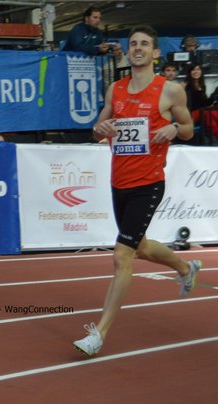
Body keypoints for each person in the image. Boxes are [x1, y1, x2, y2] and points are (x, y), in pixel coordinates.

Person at [73, 25, 202, 356]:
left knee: (122, 255)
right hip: (119, 182)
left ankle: (99, 334)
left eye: (144, 44)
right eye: (133, 44)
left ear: (155, 52)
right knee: (140, 247)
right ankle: (185, 268)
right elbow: (97, 130)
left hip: (149, 183)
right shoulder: (115, 89)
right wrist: (100, 128)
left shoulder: (170, 90)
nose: (138, 48)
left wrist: (174, 127)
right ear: (128, 51)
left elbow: (189, 129)